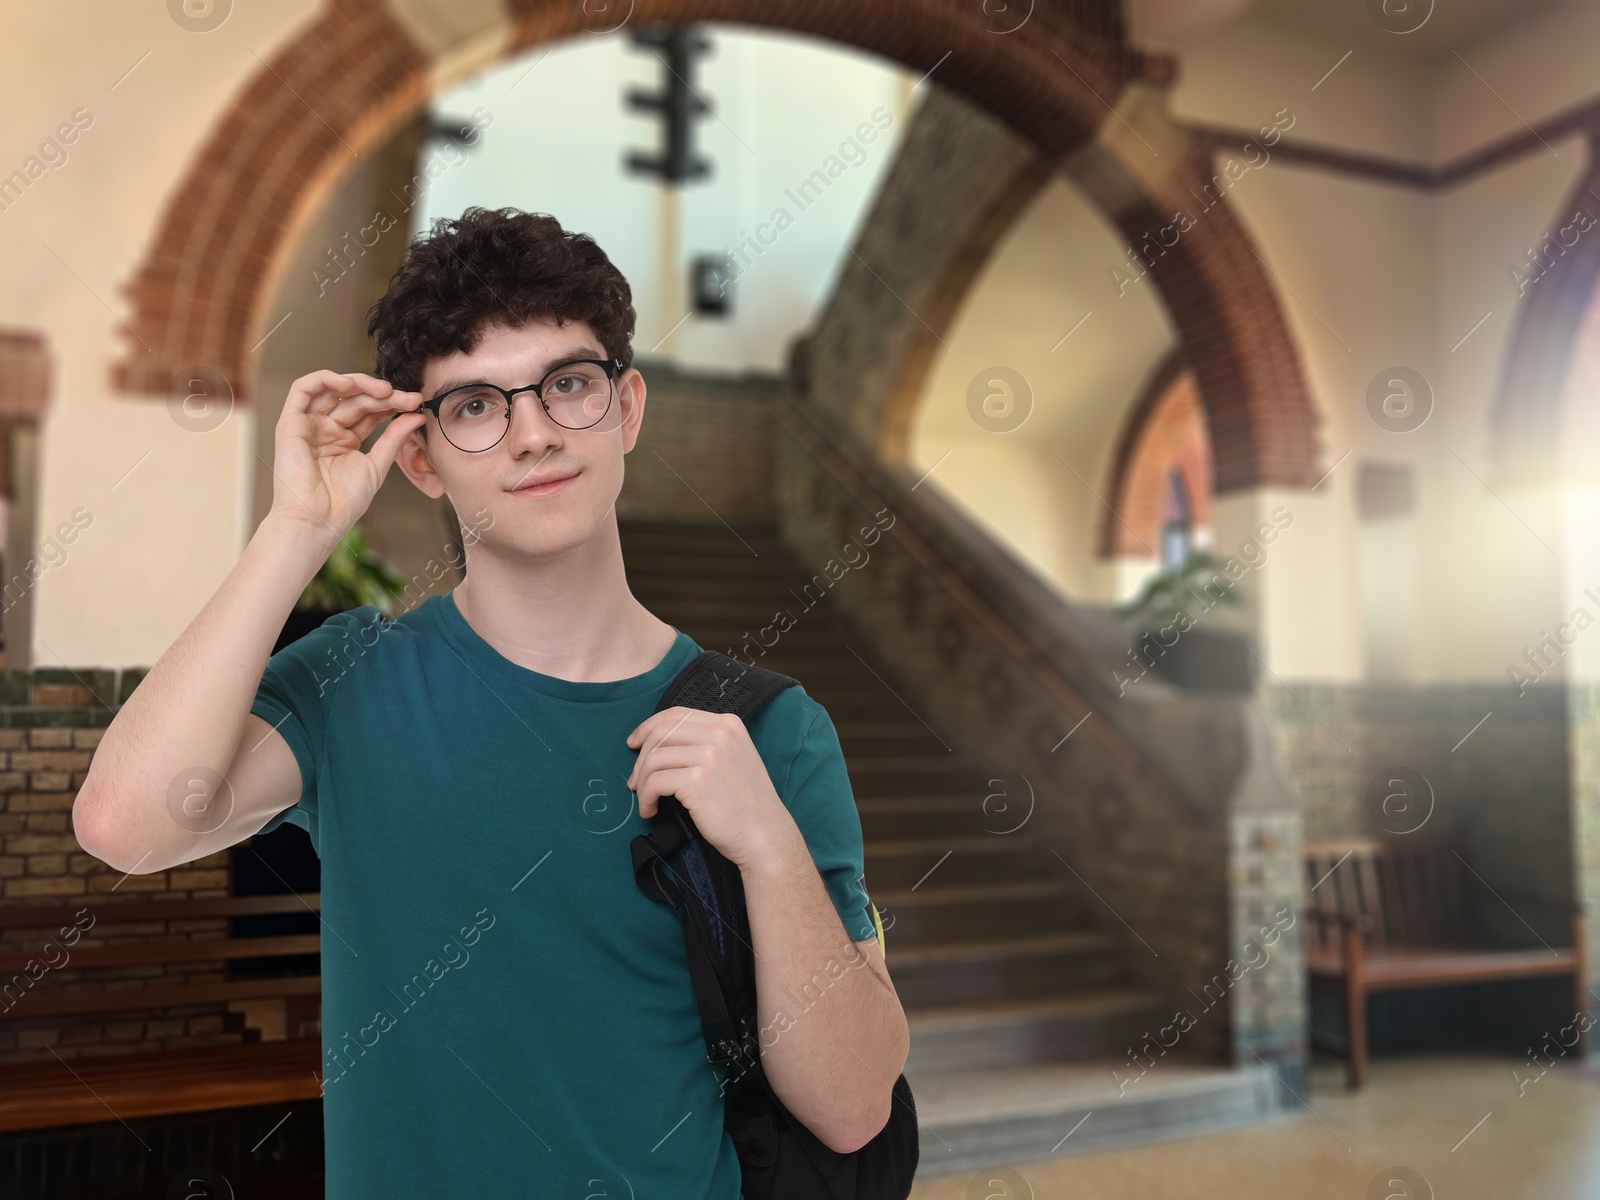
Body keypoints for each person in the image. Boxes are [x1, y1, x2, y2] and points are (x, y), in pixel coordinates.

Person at [73, 207, 909, 1197]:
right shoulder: (357, 680)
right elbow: (124, 825)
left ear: (627, 406)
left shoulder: (770, 727)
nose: (535, 435)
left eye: (567, 385)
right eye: (476, 405)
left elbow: (854, 1107)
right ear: (420, 456)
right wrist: (297, 530)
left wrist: (766, 845)